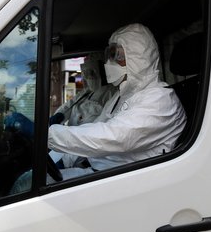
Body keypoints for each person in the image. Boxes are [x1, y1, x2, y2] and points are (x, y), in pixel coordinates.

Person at [48, 23, 187, 179]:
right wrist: (62, 159)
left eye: (117, 55)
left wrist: (48, 135)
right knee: (28, 180)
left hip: (129, 182)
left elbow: (112, 137)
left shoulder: (160, 100)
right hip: (103, 173)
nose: (110, 63)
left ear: (139, 58)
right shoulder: (123, 95)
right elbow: (95, 128)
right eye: (110, 55)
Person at [49, 51, 117, 127]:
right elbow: (71, 104)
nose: (87, 78)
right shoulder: (88, 91)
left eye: (91, 73)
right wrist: (60, 113)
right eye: (85, 73)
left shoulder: (111, 93)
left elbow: (101, 124)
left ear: (103, 71)